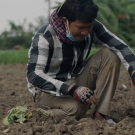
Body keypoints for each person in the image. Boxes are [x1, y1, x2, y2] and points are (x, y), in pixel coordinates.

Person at [27, 0, 135, 122]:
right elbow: (33, 75)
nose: (85, 32)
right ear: (65, 21)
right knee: (77, 109)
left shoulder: (91, 28)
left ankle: (100, 114)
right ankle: (37, 115)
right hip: (47, 90)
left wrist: (133, 69)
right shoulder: (44, 36)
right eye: (80, 28)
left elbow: (120, 46)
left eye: (89, 27)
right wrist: (71, 89)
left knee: (110, 55)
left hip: (76, 80)